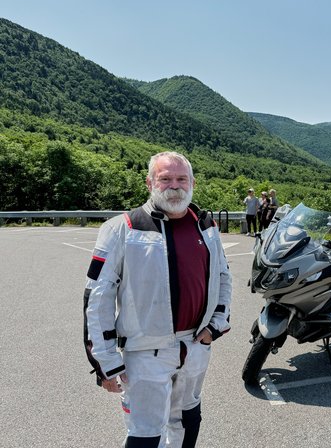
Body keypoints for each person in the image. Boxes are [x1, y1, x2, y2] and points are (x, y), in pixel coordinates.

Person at [83, 151, 232, 448]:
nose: (174, 186)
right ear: (150, 182)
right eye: (165, 179)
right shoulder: (122, 228)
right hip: (144, 352)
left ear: (192, 182)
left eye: (181, 179)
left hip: (195, 346)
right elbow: (97, 297)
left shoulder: (206, 226)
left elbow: (223, 277)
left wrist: (216, 324)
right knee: (146, 433)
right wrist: (105, 360)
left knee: (188, 420)